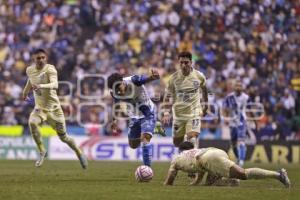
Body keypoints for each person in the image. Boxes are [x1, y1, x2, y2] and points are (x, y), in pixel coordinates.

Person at [22, 48, 88, 169]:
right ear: (34, 59)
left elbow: (55, 84)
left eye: (43, 57)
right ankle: (42, 150)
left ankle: (79, 152)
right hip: (40, 108)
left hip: (55, 109)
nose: (41, 60)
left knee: (64, 137)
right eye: (38, 58)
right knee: (32, 122)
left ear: (46, 58)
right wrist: (25, 93)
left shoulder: (50, 69)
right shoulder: (29, 70)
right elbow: (30, 81)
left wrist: (40, 86)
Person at [164, 142, 291, 188]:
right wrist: (196, 183)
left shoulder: (176, 159)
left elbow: (169, 181)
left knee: (243, 173)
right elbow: (201, 169)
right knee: (209, 184)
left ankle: (278, 174)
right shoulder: (196, 150)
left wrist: (165, 184)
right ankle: (231, 181)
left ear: (181, 150)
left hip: (209, 159)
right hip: (215, 152)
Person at [107, 69, 163, 167]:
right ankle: (156, 128)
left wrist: (152, 77)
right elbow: (117, 103)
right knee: (133, 145)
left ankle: (147, 169)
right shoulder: (113, 91)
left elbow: (145, 79)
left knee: (144, 138)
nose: (119, 91)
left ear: (123, 82)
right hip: (134, 115)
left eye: (119, 87)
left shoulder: (134, 80)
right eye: (116, 90)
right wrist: (114, 120)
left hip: (147, 112)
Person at [162, 51, 208, 148]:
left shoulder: (199, 76)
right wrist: (166, 112)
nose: (183, 65)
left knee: (192, 137)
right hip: (178, 115)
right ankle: (184, 155)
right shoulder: (173, 78)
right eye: (181, 63)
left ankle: (192, 161)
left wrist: (205, 107)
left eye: (186, 62)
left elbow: (204, 91)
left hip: (194, 112)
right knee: (177, 143)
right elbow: (167, 97)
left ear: (191, 62)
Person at [222, 80, 250, 166]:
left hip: (242, 122)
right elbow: (224, 109)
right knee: (233, 143)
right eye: (237, 86)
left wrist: (256, 122)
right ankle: (238, 158)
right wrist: (225, 118)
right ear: (234, 87)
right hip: (232, 122)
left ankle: (241, 161)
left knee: (241, 141)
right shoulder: (229, 97)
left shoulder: (246, 97)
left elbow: (250, 109)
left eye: (240, 86)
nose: (238, 87)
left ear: (242, 88)